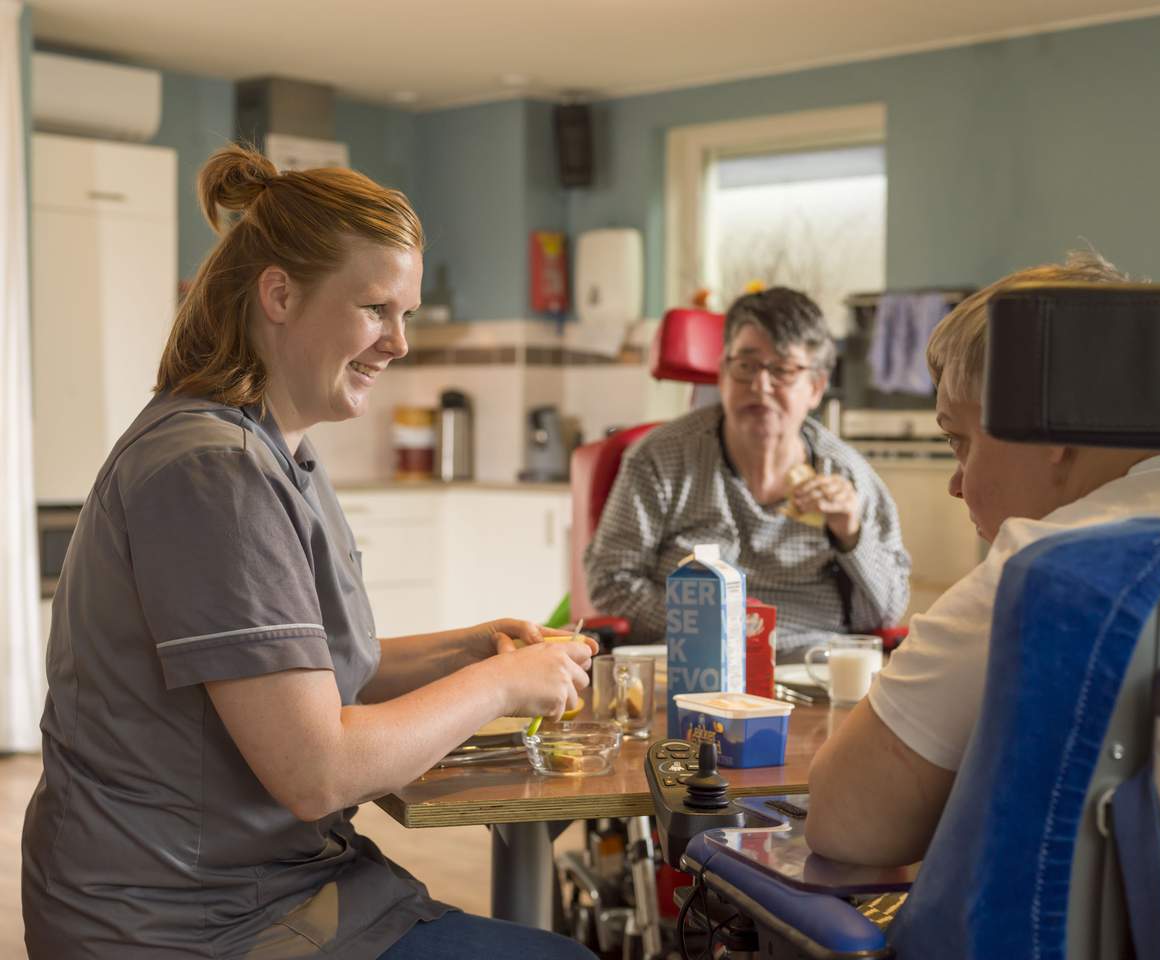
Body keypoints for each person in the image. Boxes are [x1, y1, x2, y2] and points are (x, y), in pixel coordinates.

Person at [21, 145, 597, 960]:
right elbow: (317, 768)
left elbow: (296, 670)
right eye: (376, 309)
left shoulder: (271, 447)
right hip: (179, 924)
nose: (399, 344)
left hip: (252, 890)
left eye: (408, 315)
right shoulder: (211, 470)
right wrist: (498, 683)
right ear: (280, 294)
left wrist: (465, 649)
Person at [804, 251, 1160, 867]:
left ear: (1051, 426)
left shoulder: (1037, 572)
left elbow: (847, 823)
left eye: (960, 441)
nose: (956, 482)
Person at [584, 287, 910, 660]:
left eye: (783, 370)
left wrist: (850, 535)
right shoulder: (660, 460)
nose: (760, 386)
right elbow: (611, 585)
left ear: (816, 387)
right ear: (723, 373)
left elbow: (885, 614)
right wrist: (721, 626)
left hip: (810, 666)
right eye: (746, 366)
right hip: (691, 662)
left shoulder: (848, 475)